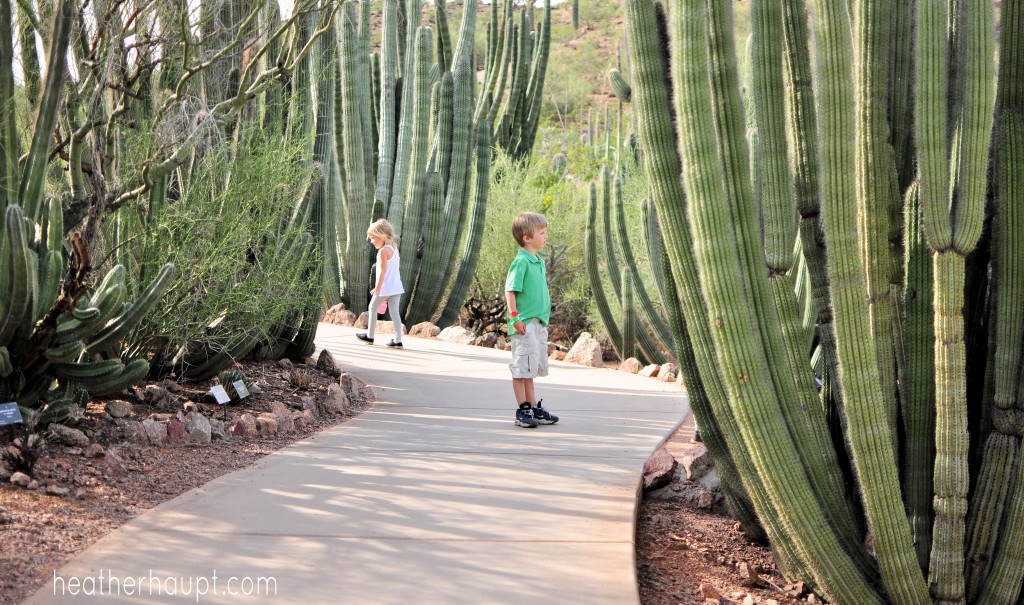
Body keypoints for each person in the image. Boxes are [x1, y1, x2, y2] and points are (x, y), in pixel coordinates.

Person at [504, 212, 559, 428]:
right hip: (524, 323)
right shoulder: (521, 262)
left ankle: (533, 406)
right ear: (527, 237)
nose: (546, 236)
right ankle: (523, 410)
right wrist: (514, 317)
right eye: (542, 233)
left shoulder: (538, 262)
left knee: (530, 369)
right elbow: (511, 290)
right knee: (521, 368)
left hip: (537, 323)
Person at [356, 219, 405, 348]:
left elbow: (382, 271)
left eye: (373, 238)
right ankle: (398, 340)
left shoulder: (383, 251)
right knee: (395, 313)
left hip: (385, 287)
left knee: (372, 308)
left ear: (381, 236)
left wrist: (378, 287)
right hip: (396, 286)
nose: (371, 241)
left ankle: (370, 336)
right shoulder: (394, 247)